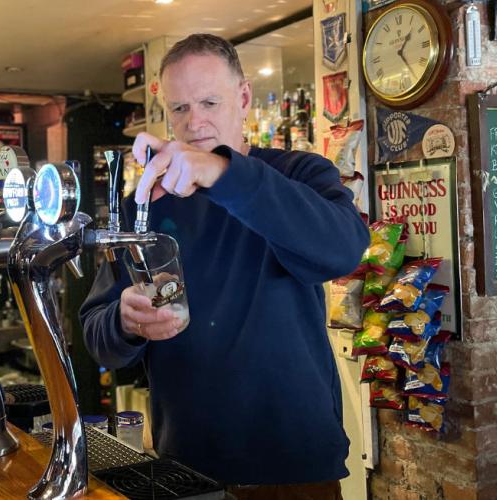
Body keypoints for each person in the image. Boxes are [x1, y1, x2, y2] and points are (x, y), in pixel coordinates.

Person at [79, 34, 369, 499]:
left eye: (209, 102)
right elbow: (97, 334)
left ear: (244, 97)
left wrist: (219, 173)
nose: (194, 123)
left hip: (293, 468)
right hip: (185, 469)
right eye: (179, 109)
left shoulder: (299, 173)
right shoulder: (149, 203)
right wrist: (125, 321)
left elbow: (342, 249)